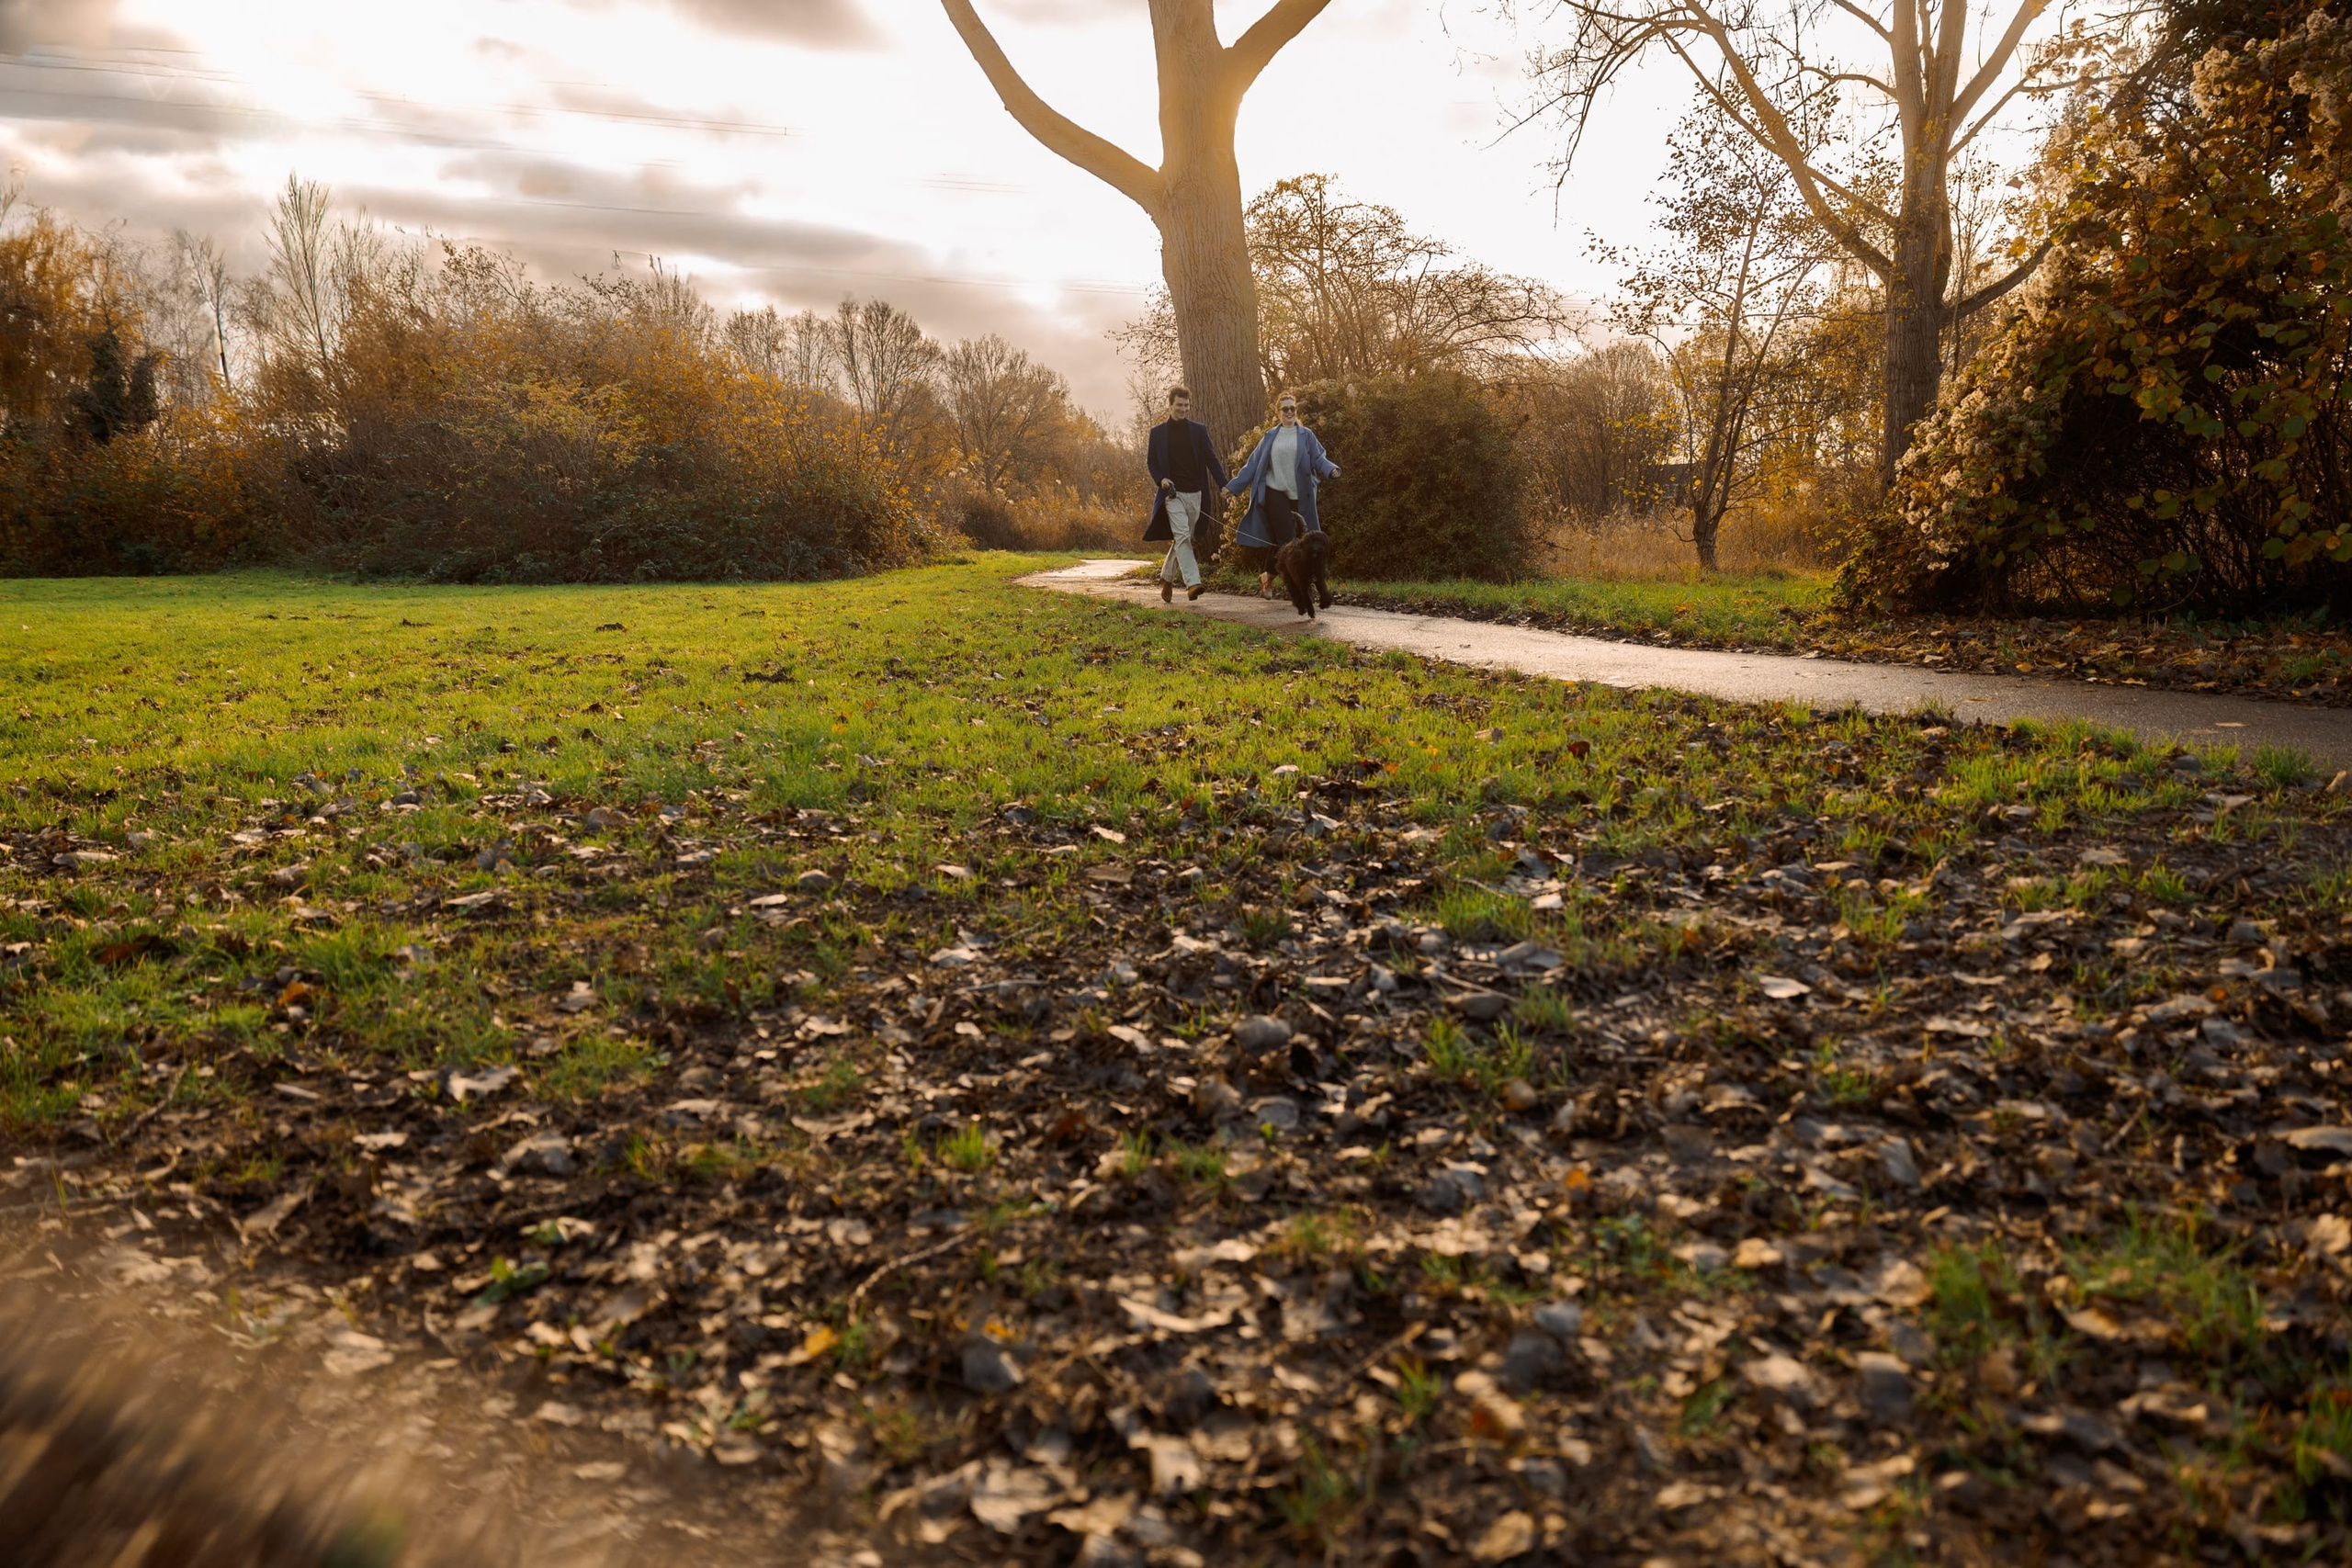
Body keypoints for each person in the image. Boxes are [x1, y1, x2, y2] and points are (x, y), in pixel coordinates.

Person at [1227, 391, 1340, 602]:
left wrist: (1331, 470)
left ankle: (1267, 576)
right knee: (1288, 539)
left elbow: (1319, 458)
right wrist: (1233, 487)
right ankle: (1300, 585)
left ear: (1296, 411)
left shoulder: (1306, 435)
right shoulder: (1270, 437)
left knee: (1293, 541)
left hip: (1300, 494)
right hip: (1274, 491)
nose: (1289, 412)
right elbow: (1252, 465)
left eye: (1292, 409)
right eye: (1285, 409)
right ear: (1277, 412)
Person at [1143, 386, 1227, 603]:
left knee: (1184, 539)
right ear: (1170, 404)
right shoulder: (1158, 433)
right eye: (1179, 405)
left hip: (1196, 494)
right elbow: (1152, 461)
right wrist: (1161, 479)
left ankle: (1167, 578)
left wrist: (1224, 485)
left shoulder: (1199, 430)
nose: (1183, 409)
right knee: (1181, 537)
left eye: (1186, 405)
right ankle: (1193, 583)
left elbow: (1211, 459)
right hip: (1173, 495)